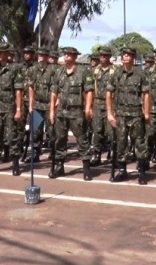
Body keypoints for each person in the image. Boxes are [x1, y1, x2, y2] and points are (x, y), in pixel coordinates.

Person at [106, 46, 151, 184]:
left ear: (133, 57)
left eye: (128, 55)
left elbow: (146, 94)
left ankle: (142, 172)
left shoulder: (141, 74)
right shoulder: (117, 74)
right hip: (120, 114)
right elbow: (109, 93)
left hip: (136, 113)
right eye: (123, 54)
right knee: (121, 142)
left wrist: (147, 112)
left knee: (139, 143)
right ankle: (122, 170)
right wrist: (109, 113)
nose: (125, 57)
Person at [49, 46, 94, 180]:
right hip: (61, 110)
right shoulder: (58, 72)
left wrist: (88, 108)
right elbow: (53, 93)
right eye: (65, 54)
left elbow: (89, 91)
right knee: (60, 139)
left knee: (82, 139)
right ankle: (59, 166)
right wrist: (52, 110)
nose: (66, 56)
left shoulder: (83, 72)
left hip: (77, 111)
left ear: (75, 57)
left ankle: (86, 168)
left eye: (69, 54)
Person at [0, 43, 24, 173]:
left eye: (2, 52)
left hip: (9, 108)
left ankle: (15, 163)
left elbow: (18, 90)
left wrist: (18, 109)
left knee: (12, 136)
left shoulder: (14, 69)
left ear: (8, 54)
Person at [90, 46, 117, 166]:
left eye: (105, 56)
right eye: (101, 55)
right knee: (97, 131)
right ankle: (96, 155)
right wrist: (89, 106)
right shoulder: (95, 70)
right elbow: (89, 89)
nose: (103, 58)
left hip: (111, 104)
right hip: (97, 103)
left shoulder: (116, 70)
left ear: (109, 57)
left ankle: (113, 153)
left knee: (111, 132)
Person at [27, 47, 54, 163]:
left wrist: (54, 103)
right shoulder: (33, 70)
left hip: (48, 105)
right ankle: (35, 153)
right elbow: (31, 87)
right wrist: (31, 104)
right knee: (35, 131)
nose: (41, 57)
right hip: (37, 105)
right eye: (39, 55)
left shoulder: (53, 70)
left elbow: (56, 88)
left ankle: (54, 152)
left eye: (43, 55)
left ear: (47, 57)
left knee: (51, 131)